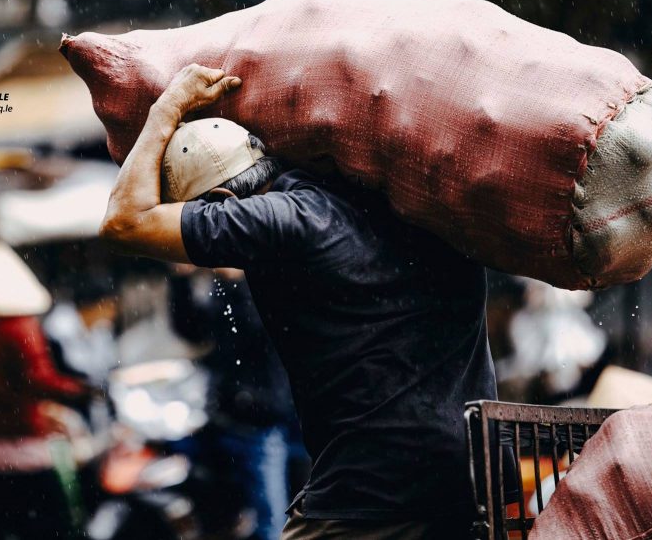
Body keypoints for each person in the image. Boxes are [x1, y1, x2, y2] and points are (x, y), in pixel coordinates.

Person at [99, 65, 498, 539]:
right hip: (479, 476)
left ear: (226, 201)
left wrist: (168, 108)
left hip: (373, 493)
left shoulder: (281, 222)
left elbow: (124, 222)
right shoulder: (404, 204)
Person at [0, 240, 92, 540]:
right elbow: (37, 379)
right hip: (24, 451)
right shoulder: (20, 326)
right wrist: (79, 390)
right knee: (45, 530)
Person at [169, 264, 299, 540]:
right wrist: (180, 280)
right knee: (223, 517)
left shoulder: (268, 284)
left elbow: (254, 327)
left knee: (270, 518)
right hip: (225, 418)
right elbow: (192, 329)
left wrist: (236, 277)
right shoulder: (222, 292)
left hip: (262, 422)